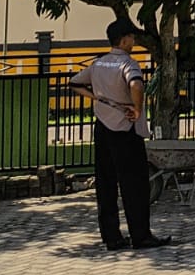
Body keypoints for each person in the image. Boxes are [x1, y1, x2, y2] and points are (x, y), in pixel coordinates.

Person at [69, 18, 172, 251]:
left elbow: (74, 83)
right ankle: (140, 235)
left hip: (103, 127)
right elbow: (136, 85)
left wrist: (97, 98)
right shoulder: (128, 63)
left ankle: (112, 237)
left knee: (106, 183)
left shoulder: (98, 64)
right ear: (124, 40)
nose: (134, 41)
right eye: (132, 37)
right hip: (125, 130)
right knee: (134, 184)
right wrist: (137, 108)